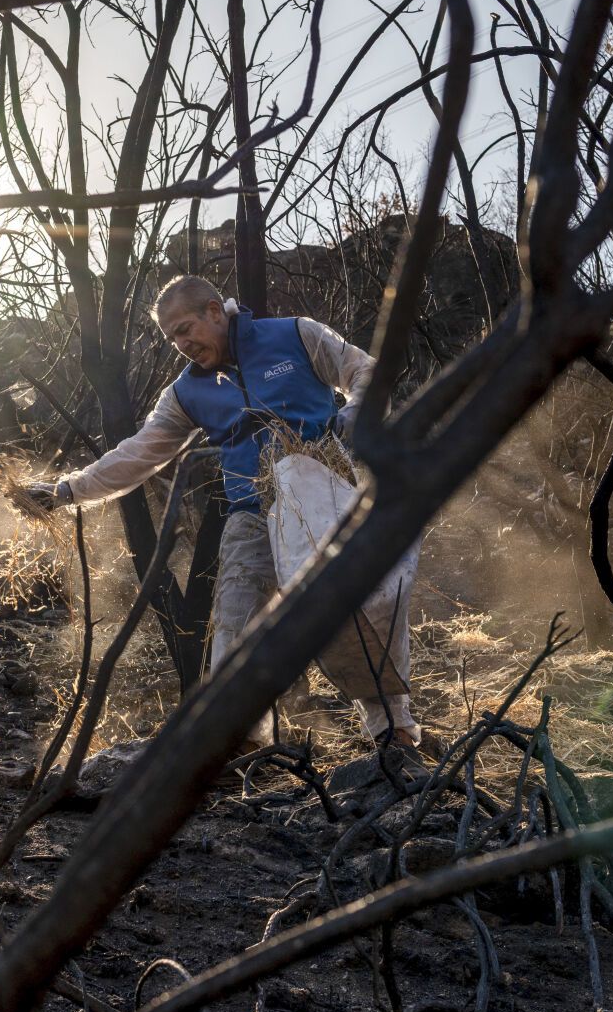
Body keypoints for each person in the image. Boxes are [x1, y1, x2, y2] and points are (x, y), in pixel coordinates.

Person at [25, 274, 422, 749]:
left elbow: (365, 371)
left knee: (356, 607)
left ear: (216, 311)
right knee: (235, 624)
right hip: (251, 512)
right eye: (172, 336)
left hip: (323, 494)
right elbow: (139, 453)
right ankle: (238, 743)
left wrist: (356, 414)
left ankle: (391, 729)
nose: (182, 343)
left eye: (186, 327)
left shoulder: (295, 334)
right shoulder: (186, 392)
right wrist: (67, 490)